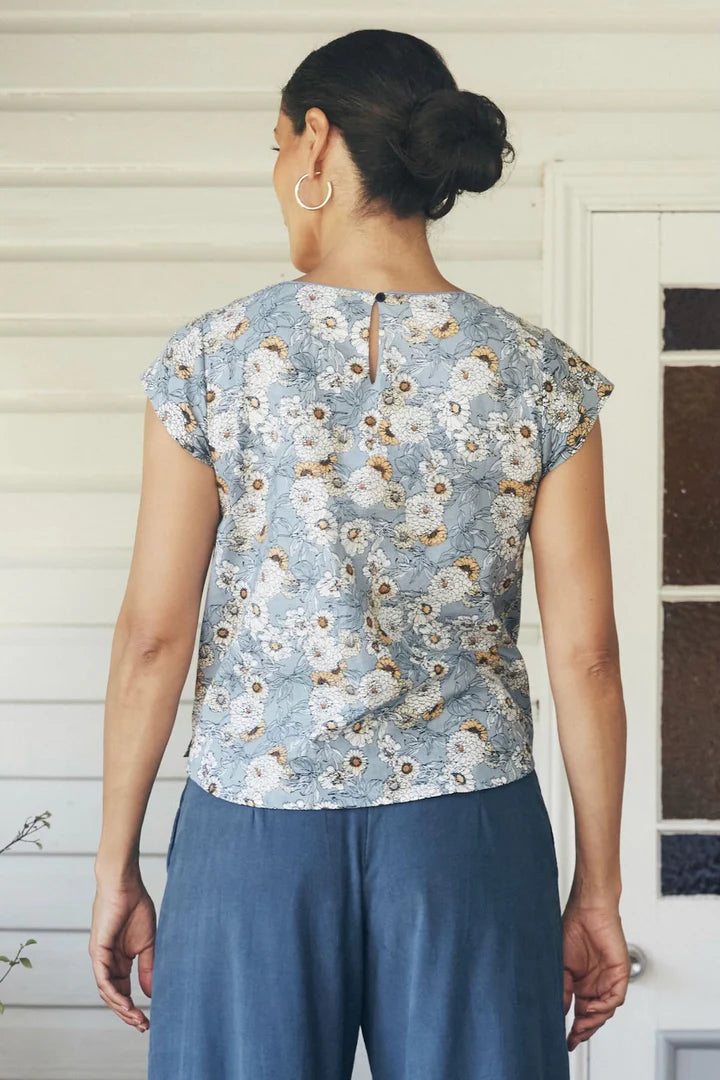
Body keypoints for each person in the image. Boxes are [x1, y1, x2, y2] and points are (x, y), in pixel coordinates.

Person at [89, 27, 630, 1080]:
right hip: (468, 830)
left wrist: (116, 868)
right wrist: (597, 890)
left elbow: (153, 640)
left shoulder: (213, 360)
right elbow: (589, 659)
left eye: (276, 146)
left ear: (317, 141)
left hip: (254, 825)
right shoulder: (537, 374)